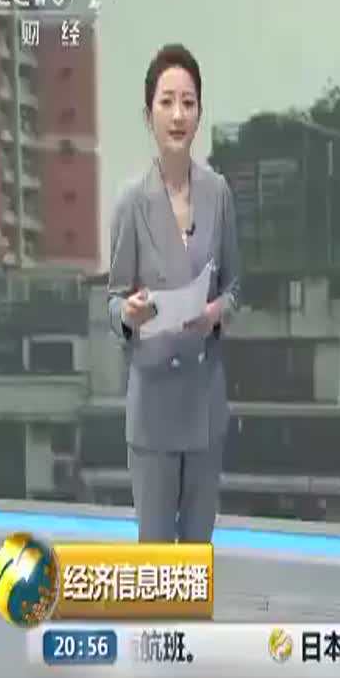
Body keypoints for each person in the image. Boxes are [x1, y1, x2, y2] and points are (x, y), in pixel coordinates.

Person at [107, 43, 240, 543]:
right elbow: (112, 300)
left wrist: (217, 311)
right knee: (159, 567)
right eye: (166, 102)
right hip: (153, 413)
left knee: (196, 563)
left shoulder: (218, 192)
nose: (178, 114)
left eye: (188, 102)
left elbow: (235, 286)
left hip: (204, 407)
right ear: (149, 116)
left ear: (199, 113)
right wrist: (129, 313)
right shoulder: (130, 201)